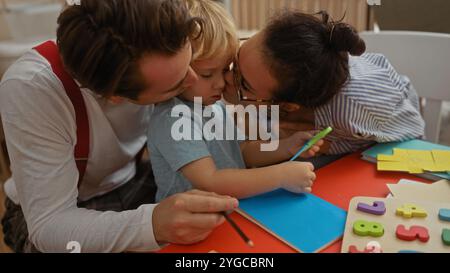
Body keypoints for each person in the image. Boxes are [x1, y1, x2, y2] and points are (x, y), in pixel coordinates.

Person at [0, 0, 238, 253]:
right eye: (176, 85)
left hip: (133, 180)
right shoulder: (32, 88)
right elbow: (50, 225)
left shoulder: (154, 33)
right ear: (116, 96)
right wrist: (153, 224)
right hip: (57, 213)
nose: (191, 79)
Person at [147, 0, 322, 201]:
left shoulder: (213, 105)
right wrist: (281, 175)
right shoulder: (173, 118)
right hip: (192, 226)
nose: (222, 83)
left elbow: (242, 151)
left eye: (224, 70)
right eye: (207, 74)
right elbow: (210, 180)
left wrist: (286, 146)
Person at [223, 10, 425, 155]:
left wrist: (333, 145)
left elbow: (412, 130)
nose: (226, 77)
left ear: (287, 105)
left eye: (244, 84)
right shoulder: (272, 81)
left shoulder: (355, 107)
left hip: (390, 129)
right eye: (236, 59)